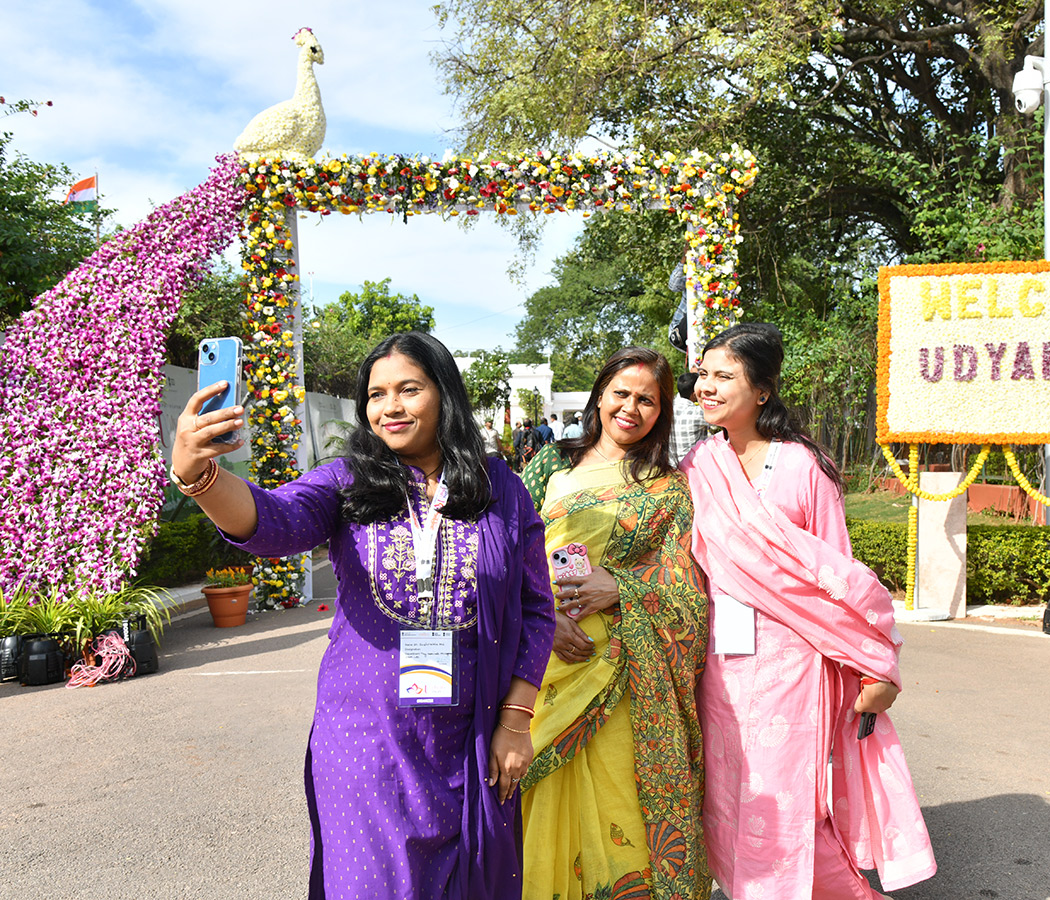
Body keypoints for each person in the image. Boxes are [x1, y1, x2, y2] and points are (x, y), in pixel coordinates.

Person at [169, 332, 556, 900]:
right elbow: (276, 519)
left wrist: (515, 723)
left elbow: (535, 610)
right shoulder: (348, 481)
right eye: (376, 394)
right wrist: (200, 477)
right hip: (368, 739)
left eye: (409, 389)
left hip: (472, 740)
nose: (390, 407)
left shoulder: (501, 488)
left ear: (445, 395)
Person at [680, 323, 936, 899]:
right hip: (718, 661)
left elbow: (840, 579)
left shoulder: (803, 465)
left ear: (763, 391)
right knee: (726, 789)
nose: (708, 387)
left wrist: (870, 664)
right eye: (704, 375)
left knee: (787, 795)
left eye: (725, 376)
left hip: (793, 662)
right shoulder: (700, 464)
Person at [518, 347, 710, 900]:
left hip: (625, 676)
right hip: (545, 662)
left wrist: (620, 587)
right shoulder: (550, 464)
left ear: (662, 411)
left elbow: (688, 591)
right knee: (537, 798)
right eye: (621, 393)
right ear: (599, 396)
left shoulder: (670, 489)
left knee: (621, 802)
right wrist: (543, 617)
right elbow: (507, 555)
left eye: (647, 399)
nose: (631, 407)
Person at [668, 371, 709, 466]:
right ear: (694, 395)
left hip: (671, 467)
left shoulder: (668, 408)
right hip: (691, 468)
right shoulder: (697, 413)